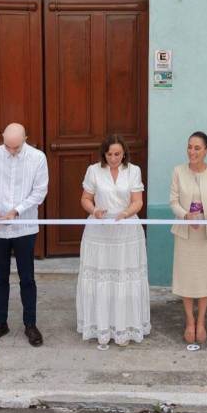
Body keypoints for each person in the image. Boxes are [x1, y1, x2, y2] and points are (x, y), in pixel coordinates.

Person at [0, 122, 49, 347]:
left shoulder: (38, 158)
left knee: (27, 278)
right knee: (0, 279)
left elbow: (39, 192)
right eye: (8, 147)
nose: (12, 151)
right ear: (3, 138)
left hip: (24, 227)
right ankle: (0, 322)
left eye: (17, 147)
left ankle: (30, 324)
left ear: (26, 138)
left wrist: (16, 211)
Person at [76, 135, 150, 347]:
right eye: (109, 154)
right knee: (101, 277)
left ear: (124, 153)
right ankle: (100, 326)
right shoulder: (93, 170)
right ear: (104, 154)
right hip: (99, 232)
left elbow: (138, 202)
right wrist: (94, 210)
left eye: (117, 154)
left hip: (126, 231)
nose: (113, 158)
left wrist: (125, 213)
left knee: (124, 277)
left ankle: (125, 326)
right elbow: (85, 199)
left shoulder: (133, 170)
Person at [169, 131, 207, 345]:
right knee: (186, 277)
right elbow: (173, 201)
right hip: (186, 233)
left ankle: (201, 321)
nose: (192, 152)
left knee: (204, 278)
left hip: (206, 234)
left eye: (197, 148)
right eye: (189, 147)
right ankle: (189, 321)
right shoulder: (178, 171)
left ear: (206, 150)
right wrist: (185, 215)